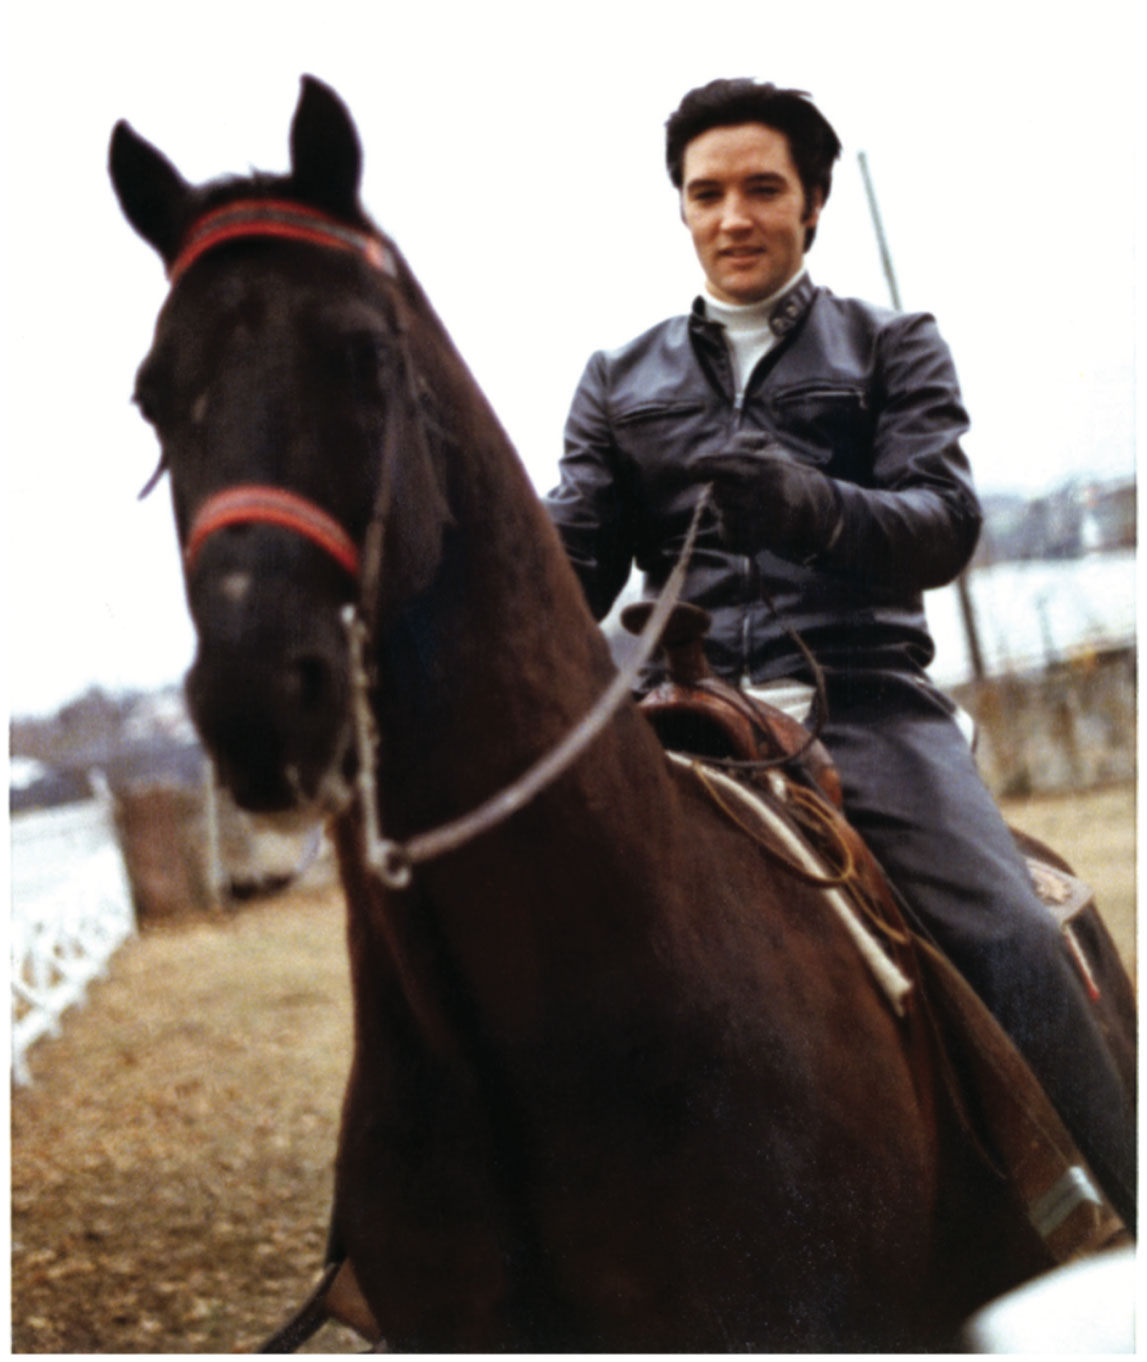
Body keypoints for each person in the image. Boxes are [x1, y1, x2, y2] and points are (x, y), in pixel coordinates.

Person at [544, 78, 1135, 1227]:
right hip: (678, 709)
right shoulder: (617, 382)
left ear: (812, 203)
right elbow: (573, 567)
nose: (733, 217)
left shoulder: (892, 346)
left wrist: (807, 503)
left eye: (761, 189)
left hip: (863, 709)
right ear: (680, 210)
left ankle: (1113, 1224)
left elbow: (943, 523)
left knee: (1009, 934)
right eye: (705, 193)